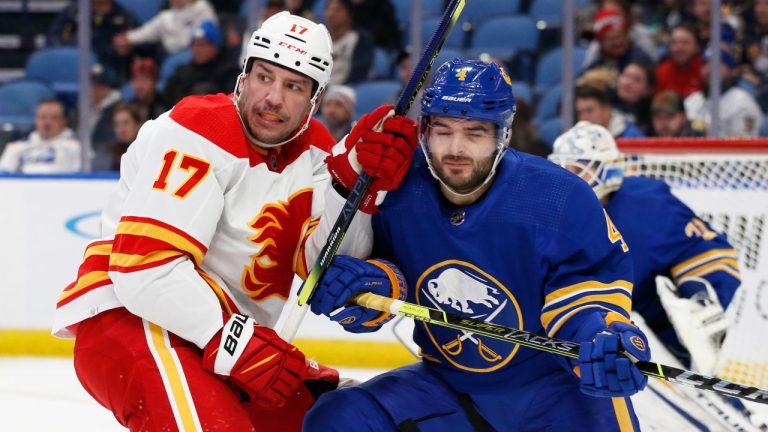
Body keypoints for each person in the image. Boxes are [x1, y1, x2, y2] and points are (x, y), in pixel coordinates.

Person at [52, 11, 417, 431]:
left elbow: (326, 266)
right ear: (243, 76)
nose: (273, 98)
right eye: (264, 76)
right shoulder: (199, 127)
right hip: (133, 321)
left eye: (293, 86)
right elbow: (145, 270)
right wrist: (233, 338)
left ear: (315, 100)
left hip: (226, 340)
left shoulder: (317, 151)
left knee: (350, 421)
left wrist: (355, 184)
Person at [304, 59, 649, 431]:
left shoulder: (559, 196)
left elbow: (589, 290)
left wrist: (600, 338)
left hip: (552, 392)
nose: (456, 149)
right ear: (424, 131)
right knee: (339, 419)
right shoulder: (400, 184)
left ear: (503, 134)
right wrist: (370, 284)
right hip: (449, 386)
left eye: (474, 133)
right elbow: (391, 268)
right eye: (443, 130)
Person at [548, 121, 738, 373]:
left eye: (577, 167)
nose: (567, 176)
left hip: (649, 304)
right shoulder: (553, 213)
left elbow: (713, 254)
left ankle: (710, 376)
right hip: (605, 311)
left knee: (689, 328)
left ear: (607, 169)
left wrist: (699, 299)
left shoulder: (646, 202)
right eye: (562, 167)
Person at [685, 48, 764, 137]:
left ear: (732, 71)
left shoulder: (743, 102)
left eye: (717, 64)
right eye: (705, 64)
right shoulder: (692, 99)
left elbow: (744, 145)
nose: (709, 68)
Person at [162, 20, 240, 105]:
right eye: (194, 44)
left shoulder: (229, 72)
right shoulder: (182, 72)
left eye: (202, 44)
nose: (197, 49)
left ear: (215, 46)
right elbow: (166, 100)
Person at [0, 98, 81, 173]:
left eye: (54, 118)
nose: (47, 123)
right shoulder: (17, 148)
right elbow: (4, 175)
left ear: (64, 121)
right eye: (43, 117)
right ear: (36, 120)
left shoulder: (77, 148)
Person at [113, 0, 217, 58]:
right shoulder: (166, 17)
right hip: (171, 57)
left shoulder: (202, 8)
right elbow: (145, 32)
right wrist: (127, 38)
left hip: (195, 53)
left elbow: (209, 34)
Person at [324, 0, 374, 85]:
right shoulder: (321, 38)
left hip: (346, 89)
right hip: (320, 88)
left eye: (337, 10)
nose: (331, 14)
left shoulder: (359, 38)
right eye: (328, 9)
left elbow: (359, 72)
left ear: (349, 14)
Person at [575, 85, 645, 138]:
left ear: (607, 109)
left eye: (589, 111)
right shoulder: (576, 138)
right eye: (580, 112)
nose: (584, 117)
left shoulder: (632, 136)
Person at [654, 24, 703, 98]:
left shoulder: (705, 71)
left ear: (696, 47)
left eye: (685, 43)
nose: (678, 48)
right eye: (674, 43)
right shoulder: (661, 72)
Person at [129, 57, 168, 122]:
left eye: (143, 80)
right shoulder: (129, 107)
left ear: (154, 83)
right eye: (136, 80)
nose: (138, 86)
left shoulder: (164, 109)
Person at [110, 102, 143, 170]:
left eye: (126, 122)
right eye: (117, 124)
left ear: (137, 125)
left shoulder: (145, 152)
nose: (121, 129)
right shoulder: (109, 155)